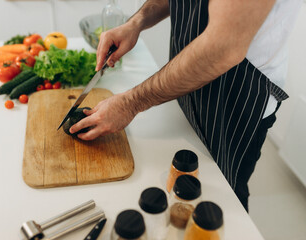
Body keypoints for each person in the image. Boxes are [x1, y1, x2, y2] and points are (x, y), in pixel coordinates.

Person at [70, 0, 302, 211]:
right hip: (189, 79)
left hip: (237, 92)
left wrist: (130, 103)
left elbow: (223, 48)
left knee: (223, 199)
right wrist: (136, 22)